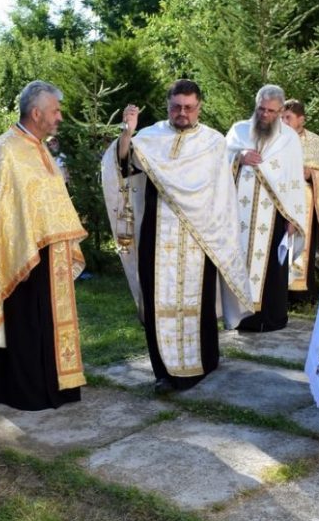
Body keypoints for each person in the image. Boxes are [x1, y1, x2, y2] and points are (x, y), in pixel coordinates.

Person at [102, 78, 252, 394]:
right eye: (176, 107)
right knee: (158, 301)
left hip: (199, 237)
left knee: (198, 303)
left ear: (199, 107)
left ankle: (204, 362)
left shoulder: (213, 142)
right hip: (156, 235)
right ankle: (163, 372)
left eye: (188, 107)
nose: (182, 113)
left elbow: (222, 197)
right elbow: (122, 167)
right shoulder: (150, 137)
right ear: (168, 105)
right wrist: (127, 131)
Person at [0, 80, 87, 410]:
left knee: (50, 322)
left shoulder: (39, 146)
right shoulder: (6, 147)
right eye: (55, 111)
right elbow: (3, 210)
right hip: (23, 254)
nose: (59, 117)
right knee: (27, 322)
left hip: (52, 251)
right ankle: (30, 390)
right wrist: (20, 248)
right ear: (36, 113)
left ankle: (58, 384)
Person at [226, 84, 308, 332]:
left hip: (274, 214)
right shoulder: (239, 130)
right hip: (238, 214)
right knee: (238, 261)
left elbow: (294, 180)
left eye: (271, 111)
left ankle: (271, 319)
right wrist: (239, 156)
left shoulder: (289, 138)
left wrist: (293, 217)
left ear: (281, 111)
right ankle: (240, 317)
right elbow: (219, 161)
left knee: (272, 267)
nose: (265, 115)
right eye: (261, 109)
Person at [281, 98, 319, 300]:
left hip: (305, 201)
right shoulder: (275, 139)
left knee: (302, 244)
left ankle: (299, 294)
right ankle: (278, 290)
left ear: (301, 119)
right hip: (280, 200)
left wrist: (312, 173)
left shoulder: (315, 141)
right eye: (282, 117)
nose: (283, 121)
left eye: (288, 117)